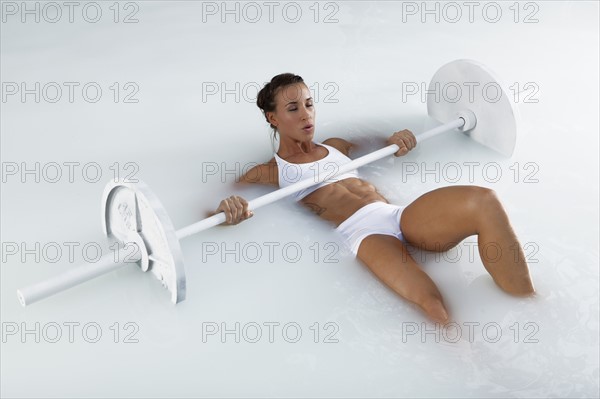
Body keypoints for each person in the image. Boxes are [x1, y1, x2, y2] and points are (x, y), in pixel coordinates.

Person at [212, 73, 535, 324]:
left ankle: (532, 307)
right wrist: (228, 208)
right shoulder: (269, 172)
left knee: (484, 200)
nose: (306, 114)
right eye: (292, 108)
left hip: (394, 214)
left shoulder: (337, 145)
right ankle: (470, 368)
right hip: (363, 234)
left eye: (309, 104)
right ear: (273, 118)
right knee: (432, 304)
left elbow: (383, 145)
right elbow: (220, 204)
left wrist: (399, 139)